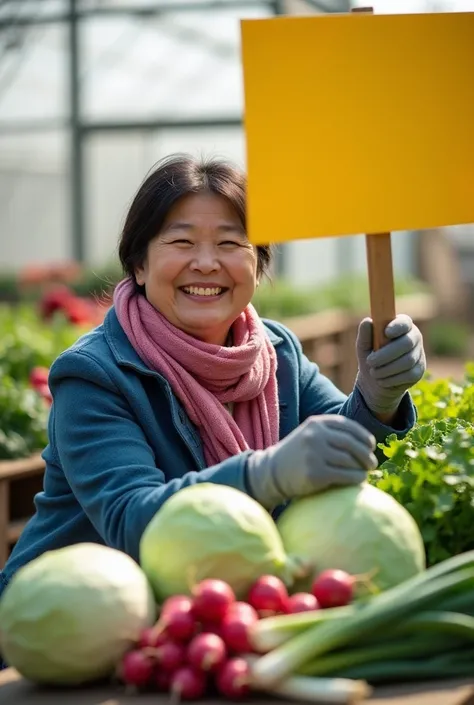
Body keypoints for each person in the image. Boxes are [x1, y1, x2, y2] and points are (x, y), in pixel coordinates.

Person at [0, 154, 426, 606]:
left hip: (197, 616)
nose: (206, 263)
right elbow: (130, 520)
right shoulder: (95, 374)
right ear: (139, 266)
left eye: (230, 243)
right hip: (64, 623)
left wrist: (378, 398)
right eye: (181, 242)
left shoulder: (276, 353)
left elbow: (342, 452)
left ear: (258, 267)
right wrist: (265, 474)